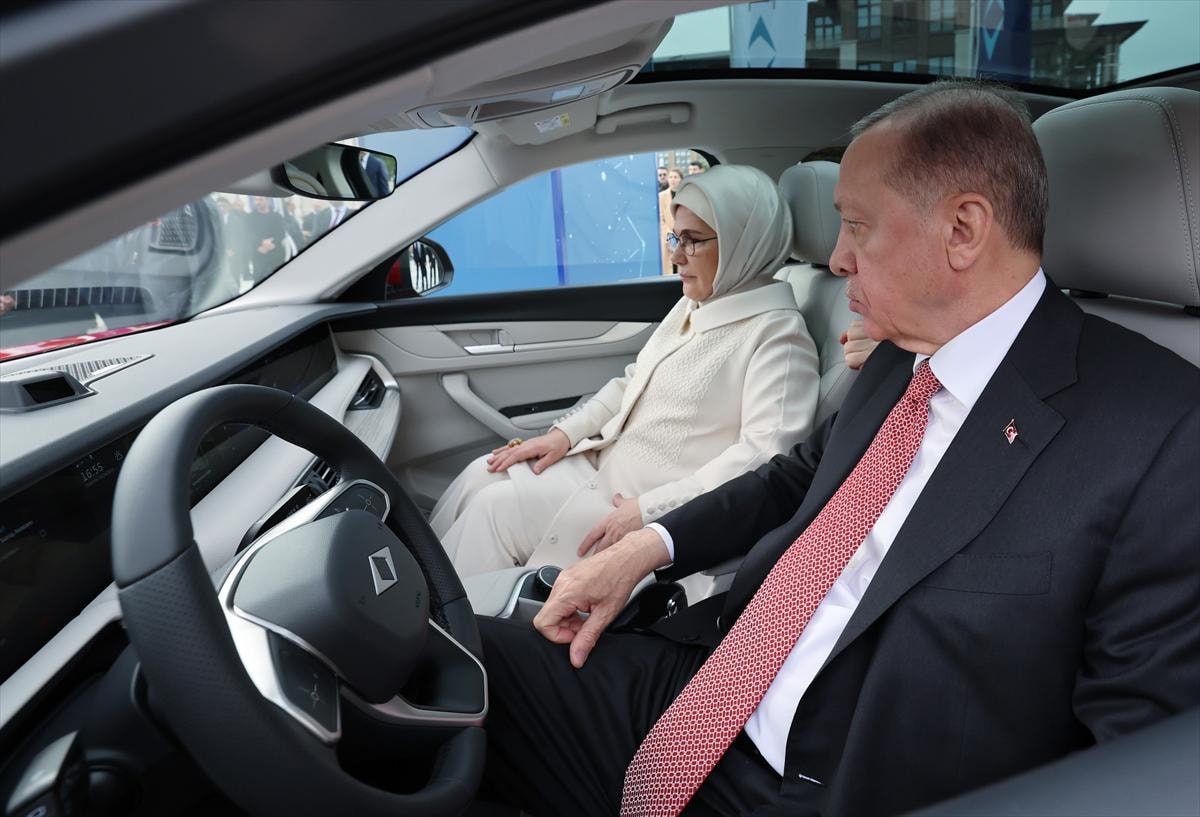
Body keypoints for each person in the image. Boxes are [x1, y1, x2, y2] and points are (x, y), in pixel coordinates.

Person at [476, 81, 1200, 817]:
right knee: (454, 667)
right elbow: (797, 477)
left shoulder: (1162, 435)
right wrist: (647, 547)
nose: (838, 257)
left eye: (856, 225)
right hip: (710, 687)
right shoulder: (899, 353)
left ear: (963, 230)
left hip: (849, 781)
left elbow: (1136, 758)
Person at [431, 165, 821, 578]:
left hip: (638, 507)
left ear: (745, 241)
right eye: (676, 237)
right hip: (600, 467)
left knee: (494, 511)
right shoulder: (696, 304)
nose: (677, 256)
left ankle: (435, 616)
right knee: (482, 472)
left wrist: (651, 510)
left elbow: (763, 460)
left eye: (693, 241)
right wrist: (563, 435)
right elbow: (634, 380)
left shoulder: (778, 336)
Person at [659, 168, 684, 276]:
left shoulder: (685, 194)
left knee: (682, 266)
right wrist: (670, 234)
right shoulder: (661, 196)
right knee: (669, 267)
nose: (672, 179)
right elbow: (661, 219)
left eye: (675, 177)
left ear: (681, 179)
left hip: (683, 234)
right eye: (671, 177)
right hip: (667, 236)